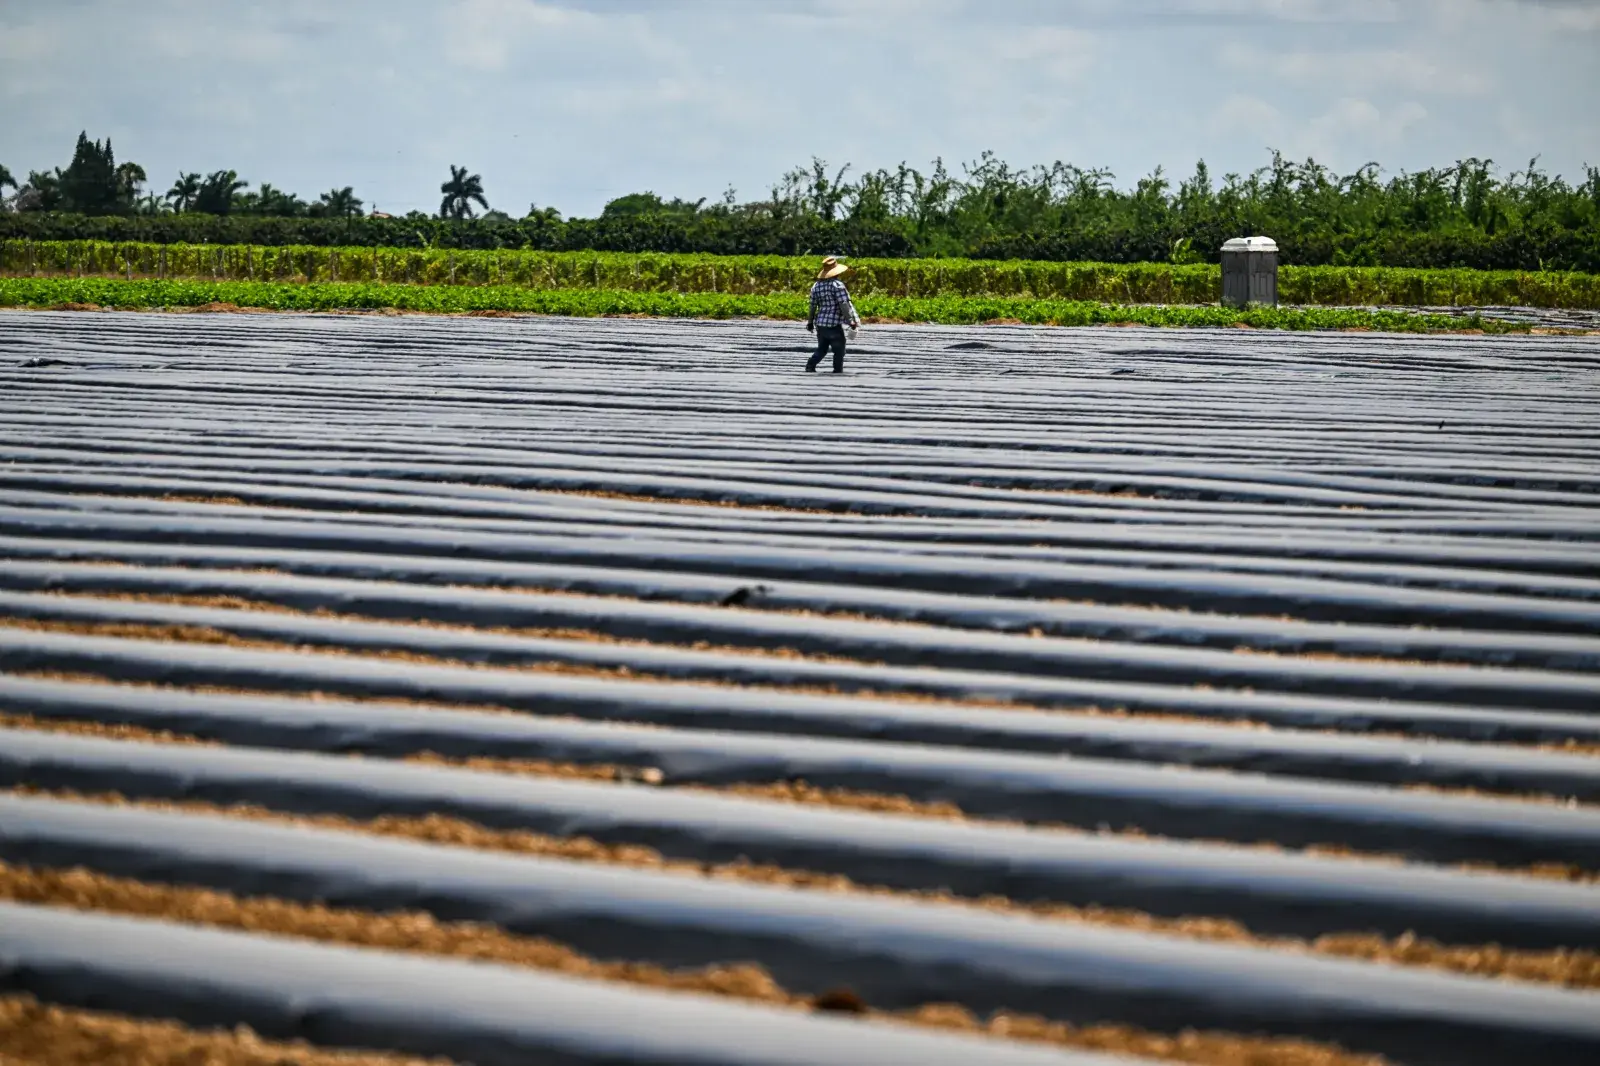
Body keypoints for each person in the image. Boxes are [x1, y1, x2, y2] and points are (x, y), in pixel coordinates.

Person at [805, 256, 860, 374]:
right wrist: (851, 321)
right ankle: (837, 371)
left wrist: (810, 322)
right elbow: (844, 304)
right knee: (839, 350)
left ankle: (810, 364)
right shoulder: (837, 285)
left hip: (821, 324)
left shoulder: (816, 286)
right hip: (834, 325)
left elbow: (812, 306)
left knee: (822, 349)